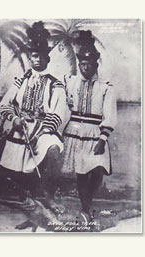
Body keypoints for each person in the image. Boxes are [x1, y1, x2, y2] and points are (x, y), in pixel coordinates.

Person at [0, 21, 69, 216]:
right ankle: (30, 208)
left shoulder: (55, 85)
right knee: (17, 173)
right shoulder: (21, 80)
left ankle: (49, 196)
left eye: (41, 56)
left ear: (48, 58)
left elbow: (57, 115)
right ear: (30, 57)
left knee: (53, 148)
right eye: (33, 55)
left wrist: (40, 132)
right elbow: (4, 105)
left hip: (43, 129)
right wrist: (14, 119)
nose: (37, 59)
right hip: (20, 127)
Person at [62, 31, 117, 222]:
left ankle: (88, 203)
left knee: (98, 170)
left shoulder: (106, 88)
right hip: (75, 133)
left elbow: (110, 115)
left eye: (89, 64)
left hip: (95, 133)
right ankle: (86, 208)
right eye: (82, 64)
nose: (85, 68)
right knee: (81, 173)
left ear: (96, 64)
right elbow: (64, 104)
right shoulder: (71, 83)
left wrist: (103, 138)